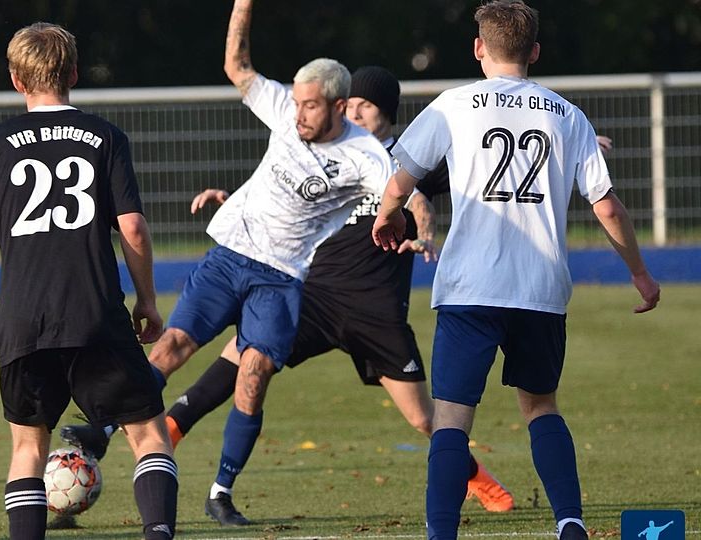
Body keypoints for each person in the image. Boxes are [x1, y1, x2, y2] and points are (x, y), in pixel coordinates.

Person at [58, 65, 514, 523]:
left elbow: (450, 181)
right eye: (351, 102)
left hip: (375, 315)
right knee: (238, 362)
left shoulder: (402, 160)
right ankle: (162, 440)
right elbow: (287, 194)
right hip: (312, 297)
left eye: (367, 105)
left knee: (421, 416)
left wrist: (426, 233)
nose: (356, 109)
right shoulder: (324, 141)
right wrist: (233, 198)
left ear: (388, 115)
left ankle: (477, 478)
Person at [370, 3, 661, 540]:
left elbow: (399, 181)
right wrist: (640, 274)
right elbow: (608, 207)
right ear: (535, 52)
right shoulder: (566, 114)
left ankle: (441, 534)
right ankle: (570, 524)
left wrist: (388, 217)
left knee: (452, 420)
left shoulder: (453, 105)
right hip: (541, 289)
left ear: (479, 48)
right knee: (541, 407)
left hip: (469, 288)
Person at [0, 22, 178, 540]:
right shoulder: (105, 137)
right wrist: (146, 299)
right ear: (74, 73)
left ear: (16, 80)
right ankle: (158, 532)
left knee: (28, 446)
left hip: (22, 321)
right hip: (95, 314)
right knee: (147, 434)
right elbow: (134, 228)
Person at [134, 0, 397, 526]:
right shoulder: (284, 108)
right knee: (172, 347)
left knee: (253, 376)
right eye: (296, 103)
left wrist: (402, 218)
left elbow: (402, 192)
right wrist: (242, 7)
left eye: (310, 106)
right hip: (231, 253)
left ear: (340, 107)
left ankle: (220, 494)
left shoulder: (367, 155)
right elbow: (237, 67)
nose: (297, 113)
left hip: (282, 278)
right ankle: (98, 435)